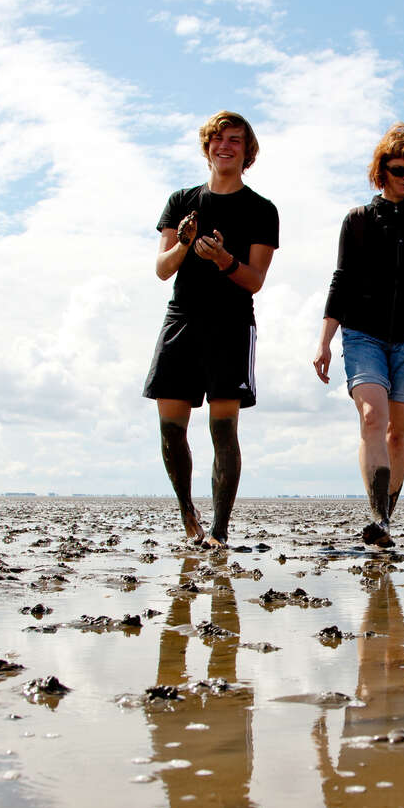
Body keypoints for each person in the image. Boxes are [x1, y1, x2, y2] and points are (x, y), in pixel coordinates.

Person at [313, 123, 404, 549]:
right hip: (363, 335)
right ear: (382, 171)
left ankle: (385, 524)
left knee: (398, 433)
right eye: (400, 169)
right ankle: (377, 517)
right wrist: (323, 340)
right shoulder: (357, 221)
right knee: (373, 418)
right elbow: (340, 283)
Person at [143, 111, 278, 548]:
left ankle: (219, 529)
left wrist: (224, 260)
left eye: (235, 140)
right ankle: (188, 513)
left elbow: (255, 279)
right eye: (218, 139)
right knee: (171, 430)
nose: (226, 146)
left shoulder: (261, 209)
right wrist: (184, 243)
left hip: (231, 325)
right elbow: (162, 270)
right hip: (181, 319)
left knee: (224, 431)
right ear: (207, 148)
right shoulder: (181, 200)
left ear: (247, 151)